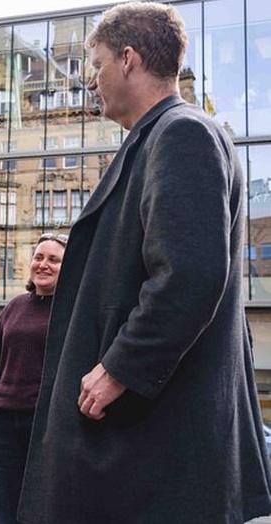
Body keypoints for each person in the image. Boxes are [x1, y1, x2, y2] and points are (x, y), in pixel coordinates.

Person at [19, 3, 271, 523]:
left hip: (154, 441)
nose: (92, 81)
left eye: (97, 64)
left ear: (128, 58)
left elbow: (190, 275)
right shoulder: (160, 136)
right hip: (146, 442)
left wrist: (118, 368)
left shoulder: (182, 133)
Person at [0, 233, 66, 524]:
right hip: (3, 420)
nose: (43, 264)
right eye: (39, 257)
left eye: (54, 259)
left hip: (46, 423)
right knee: (5, 503)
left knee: (44, 504)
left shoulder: (73, 311)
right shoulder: (15, 306)